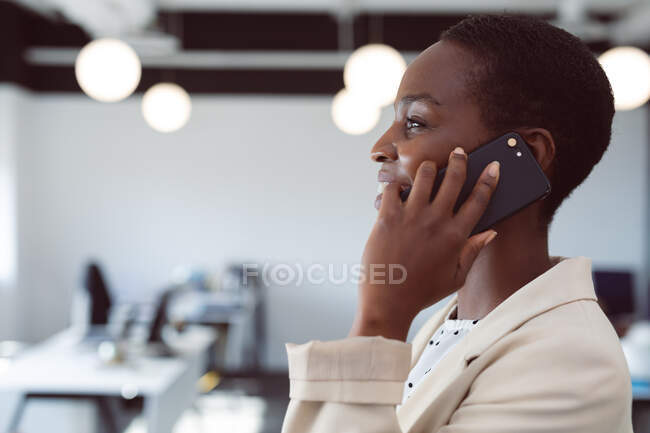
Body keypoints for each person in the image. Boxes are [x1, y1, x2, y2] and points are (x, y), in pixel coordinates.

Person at [281, 14, 633, 433]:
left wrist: (380, 319)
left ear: (527, 156)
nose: (379, 148)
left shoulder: (571, 362)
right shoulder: (451, 322)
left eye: (415, 122)